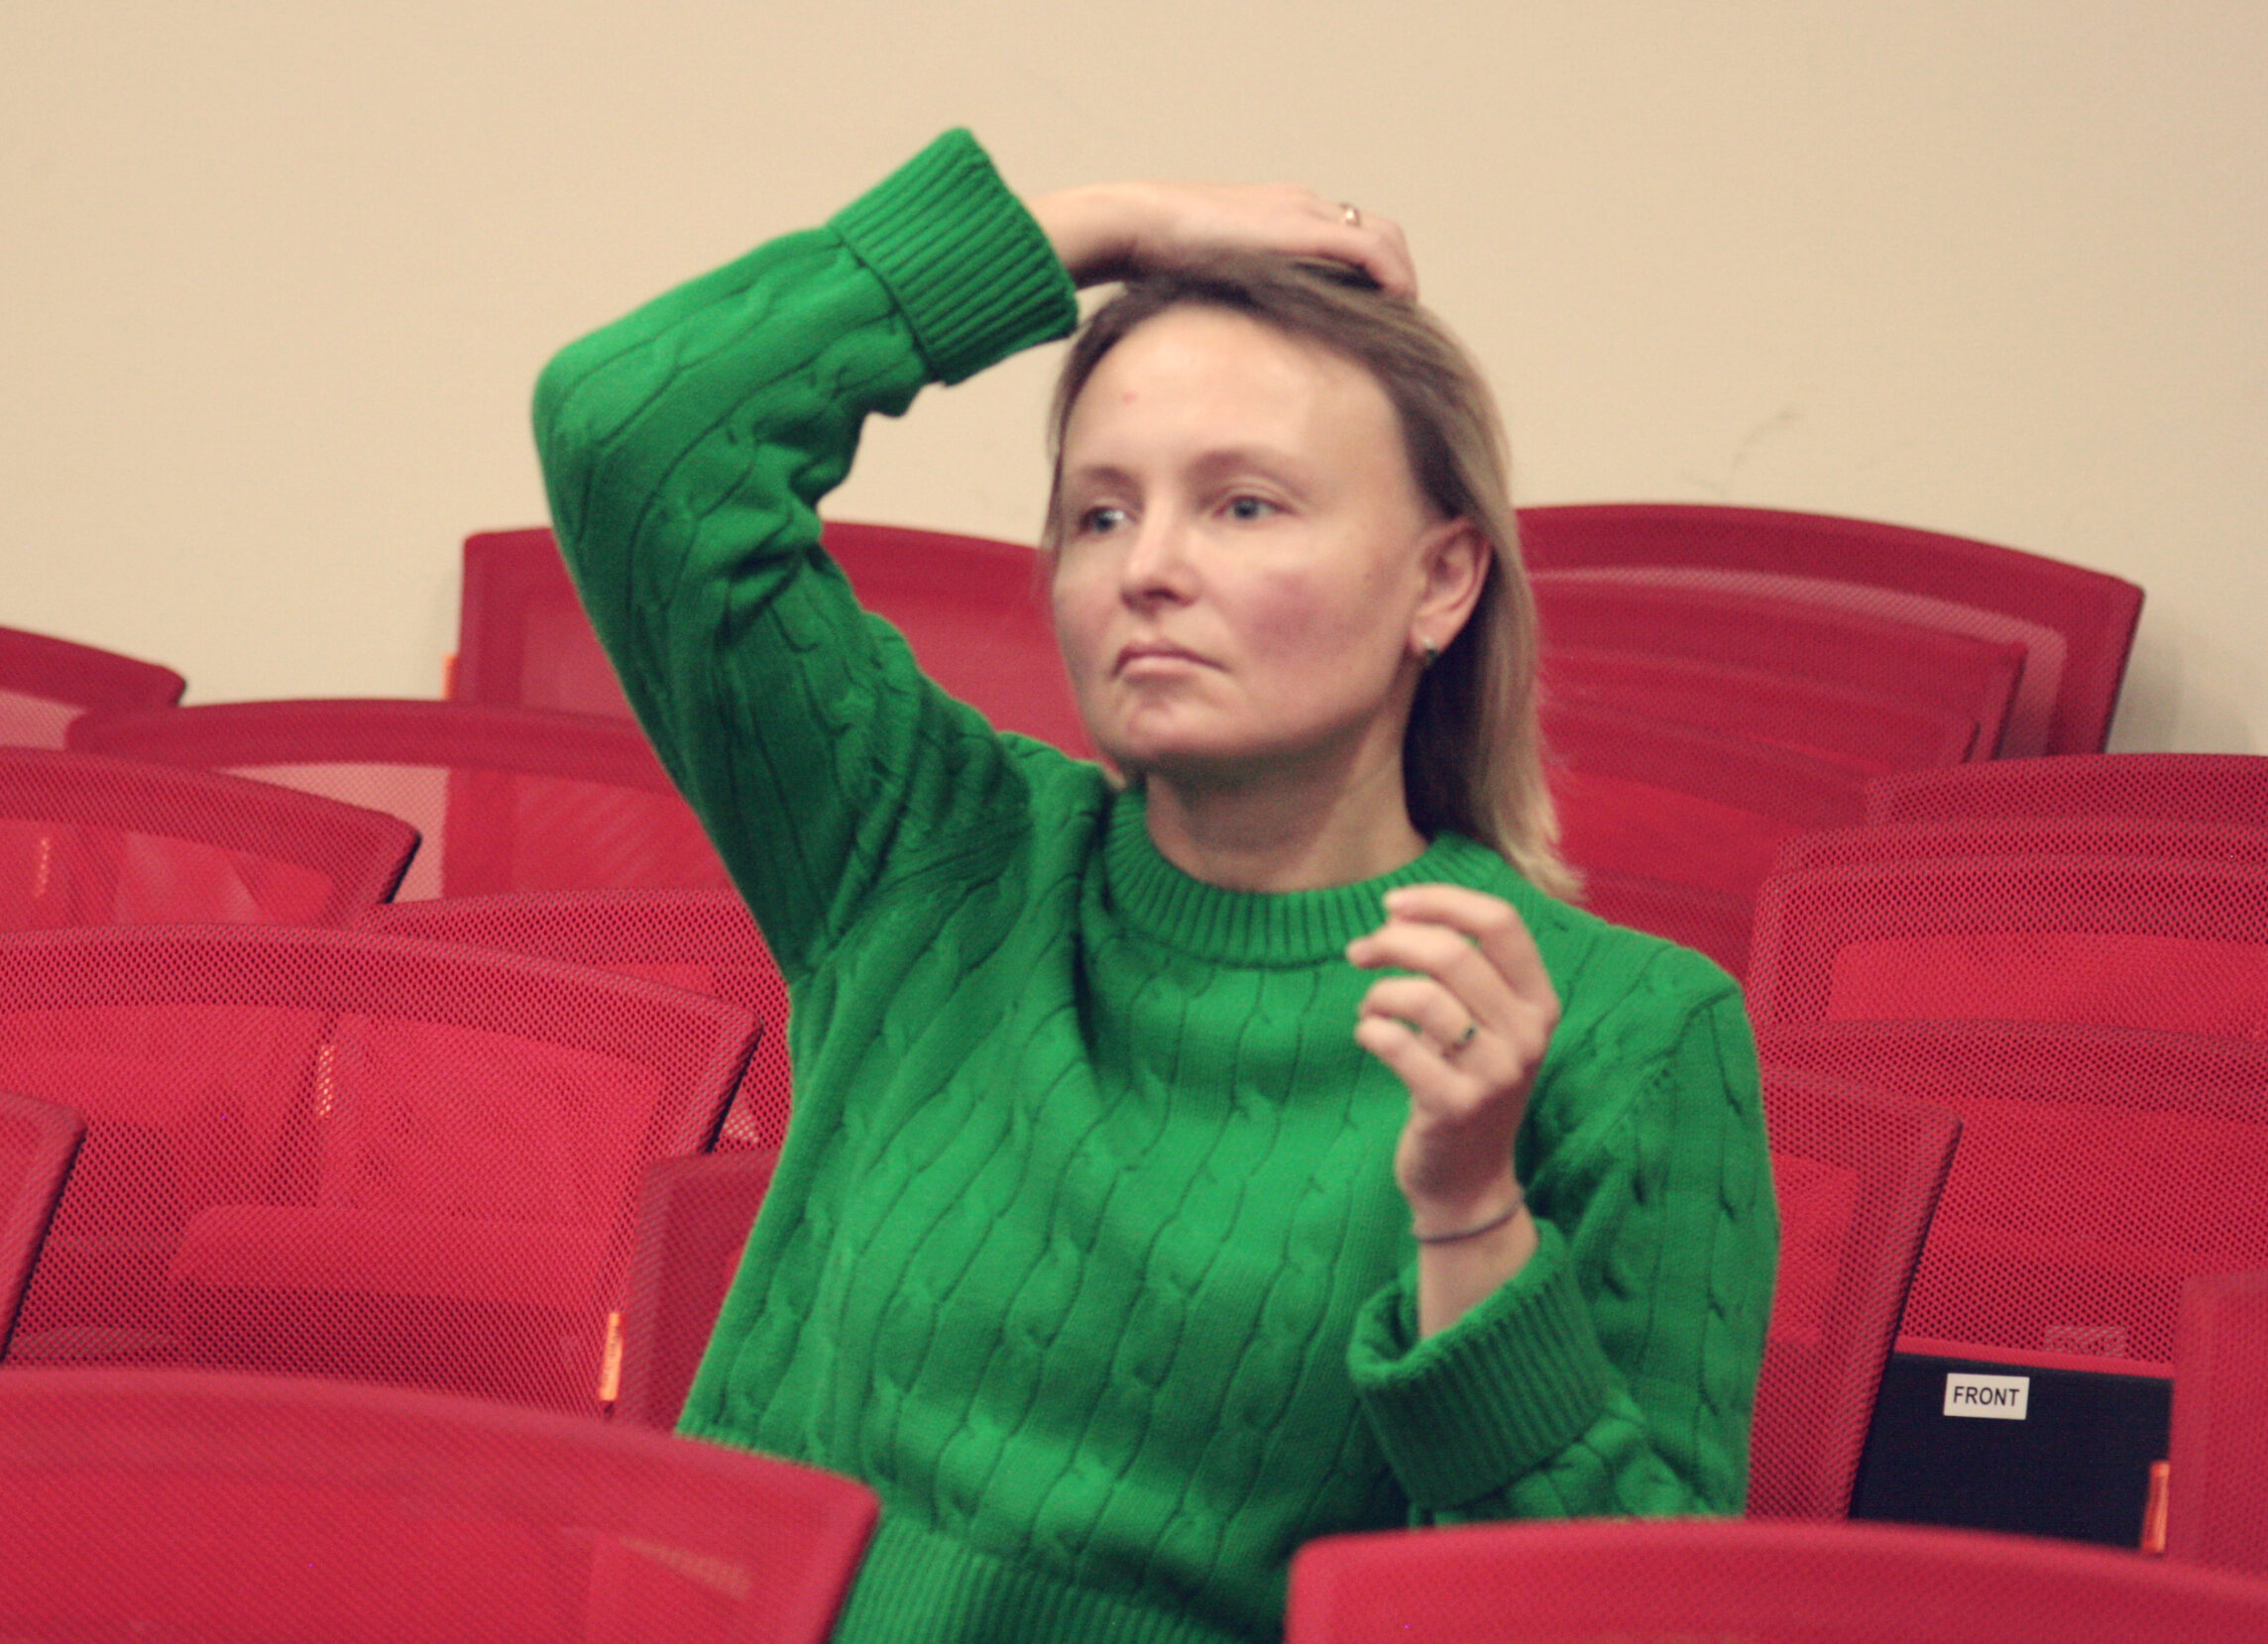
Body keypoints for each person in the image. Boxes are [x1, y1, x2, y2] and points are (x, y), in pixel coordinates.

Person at [533, 129, 1776, 1644]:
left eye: (1244, 505)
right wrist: (1106, 229)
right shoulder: (933, 848)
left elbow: (1619, 1619)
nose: (1147, 569)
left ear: (1442, 579)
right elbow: (634, 432)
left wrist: (1469, 1219)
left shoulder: (1623, 1030)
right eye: (1100, 513)